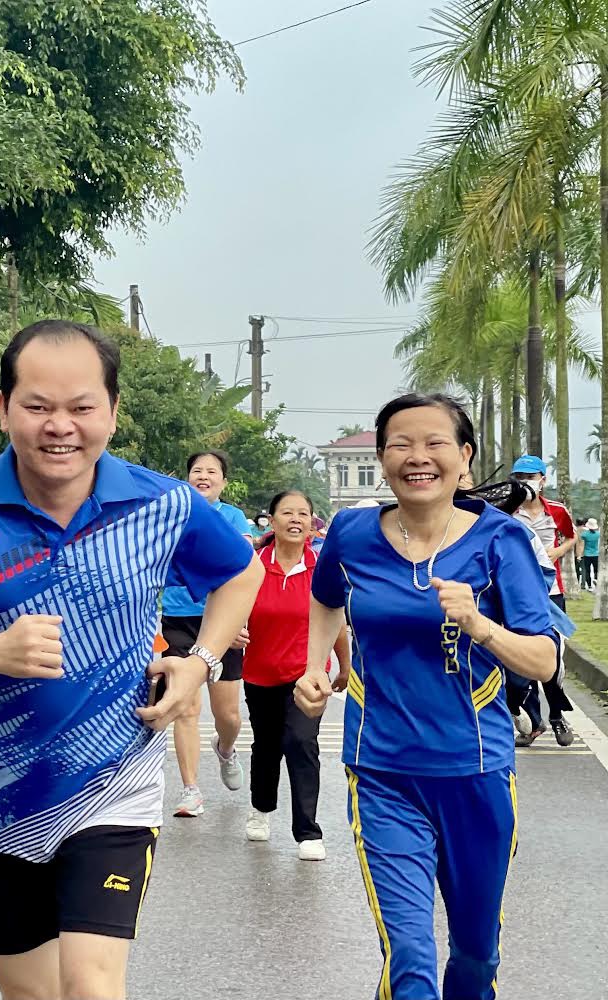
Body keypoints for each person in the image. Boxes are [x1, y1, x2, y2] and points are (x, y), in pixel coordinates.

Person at [0, 320, 263, 1000]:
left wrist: (199, 661)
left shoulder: (161, 504)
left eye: (82, 406)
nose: (61, 426)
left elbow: (241, 573)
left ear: (111, 411)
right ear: (4, 408)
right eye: (38, 406)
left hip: (115, 789)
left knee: (91, 987)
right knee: (33, 994)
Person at [295, 393, 559, 1000]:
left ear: (464, 457)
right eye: (401, 445)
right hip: (382, 771)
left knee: (476, 955)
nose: (418, 457)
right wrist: (314, 667)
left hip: (476, 772)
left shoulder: (502, 540)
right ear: (382, 458)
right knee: (409, 956)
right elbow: (326, 598)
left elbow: (543, 659)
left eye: (435, 443)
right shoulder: (352, 533)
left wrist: (480, 626)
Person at [242, 490, 351, 860]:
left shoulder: (322, 567)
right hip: (259, 673)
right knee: (267, 745)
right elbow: (229, 607)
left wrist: (344, 665)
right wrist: (232, 631)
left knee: (302, 742)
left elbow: (335, 620)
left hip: (307, 675)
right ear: (272, 521)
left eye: (303, 514)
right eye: (287, 513)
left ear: (312, 524)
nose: (295, 519)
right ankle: (260, 808)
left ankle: (308, 832)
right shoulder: (253, 566)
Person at [161, 450, 253, 818]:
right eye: (197, 470)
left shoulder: (233, 518)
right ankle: (190, 790)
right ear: (187, 479)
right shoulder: (171, 516)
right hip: (179, 619)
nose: (203, 476)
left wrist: (239, 621)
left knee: (227, 715)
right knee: (185, 705)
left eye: (211, 472)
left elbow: (245, 573)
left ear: (223, 482)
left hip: (222, 621)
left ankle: (225, 749)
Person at [506, 456, 576, 747]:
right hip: (518, 595)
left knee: (551, 659)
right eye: (519, 477)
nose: (525, 482)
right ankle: (534, 723)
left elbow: (571, 537)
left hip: (551, 593)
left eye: (530, 477)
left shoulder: (557, 510)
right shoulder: (507, 511)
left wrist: (556, 553)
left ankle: (557, 716)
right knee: (521, 661)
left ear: (542, 480)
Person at [583, 518, 600, 592]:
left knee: (587, 571)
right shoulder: (598, 534)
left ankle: (589, 586)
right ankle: (596, 579)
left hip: (587, 554)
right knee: (596, 570)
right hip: (596, 554)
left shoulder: (584, 534)